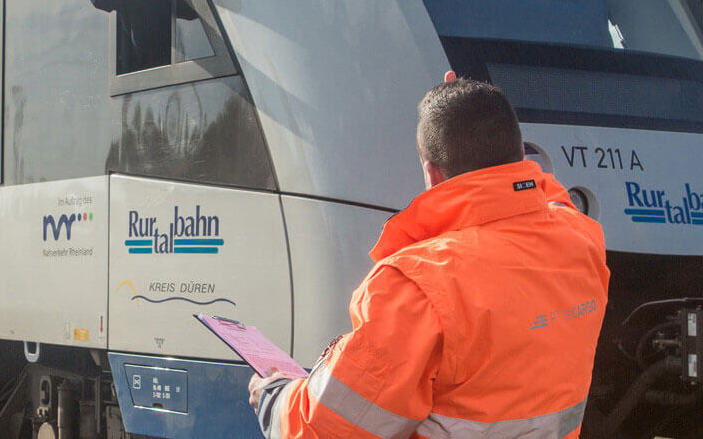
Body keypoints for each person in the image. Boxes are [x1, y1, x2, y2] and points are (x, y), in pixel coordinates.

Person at [248, 74, 609, 439]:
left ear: (431, 173)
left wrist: (274, 397)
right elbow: (547, 197)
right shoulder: (579, 238)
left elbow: (325, 430)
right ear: (520, 156)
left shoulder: (416, 286)